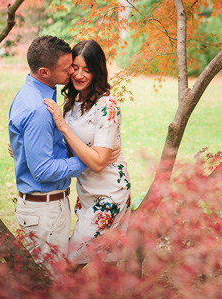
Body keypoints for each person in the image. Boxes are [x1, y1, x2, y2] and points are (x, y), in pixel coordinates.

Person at [9, 35, 120, 265]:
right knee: (56, 277)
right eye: (70, 67)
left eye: (83, 69)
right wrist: (91, 159)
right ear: (44, 72)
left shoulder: (38, 95)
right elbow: (43, 169)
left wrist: (26, 145)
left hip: (103, 193)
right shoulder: (47, 107)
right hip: (48, 206)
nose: (73, 73)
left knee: (73, 267)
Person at [44, 39, 131, 264]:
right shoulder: (71, 103)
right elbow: (73, 150)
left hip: (109, 194)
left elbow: (99, 162)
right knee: (104, 262)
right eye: (76, 68)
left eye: (87, 70)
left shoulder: (107, 106)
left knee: (73, 261)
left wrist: (63, 126)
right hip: (86, 194)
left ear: (97, 71)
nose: (79, 75)